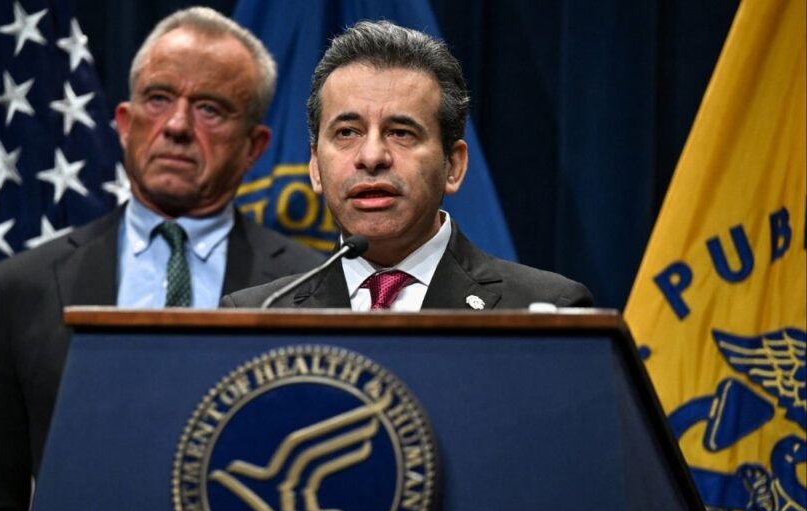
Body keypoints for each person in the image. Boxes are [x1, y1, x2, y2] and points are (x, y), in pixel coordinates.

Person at [0, 8, 323, 511]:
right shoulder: (26, 288)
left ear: (254, 146)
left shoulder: (312, 287)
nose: (178, 126)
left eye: (210, 109)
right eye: (158, 99)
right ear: (124, 121)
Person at [222, 21, 591, 310]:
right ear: (315, 166)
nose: (371, 157)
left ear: (454, 166)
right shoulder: (256, 315)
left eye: (401, 133)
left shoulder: (546, 309)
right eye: (347, 132)